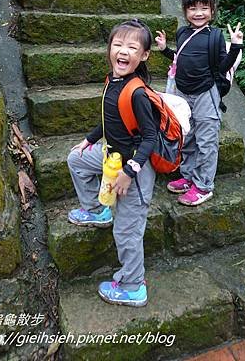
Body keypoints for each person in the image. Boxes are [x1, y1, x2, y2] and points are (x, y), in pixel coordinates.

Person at [67, 19, 159, 307]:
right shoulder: (113, 81)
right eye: (117, 44)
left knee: (127, 230)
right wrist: (90, 139)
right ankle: (97, 210)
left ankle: (133, 287)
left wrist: (129, 173)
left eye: (132, 47)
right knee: (76, 160)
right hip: (111, 155)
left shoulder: (138, 93)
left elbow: (150, 137)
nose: (122, 51)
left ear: (143, 55)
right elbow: (111, 117)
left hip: (135, 171)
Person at [155, 0, 243, 206]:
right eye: (193, 8)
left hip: (206, 94)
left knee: (206, 141)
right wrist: (166, 49)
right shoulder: (183, 33)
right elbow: (180, 59)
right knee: (188, 136)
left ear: (212, 11)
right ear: (185, 11)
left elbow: (223, 67)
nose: (198, 13)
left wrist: (235, 47)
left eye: (204, 8)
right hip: (184, 93)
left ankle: (204, 186)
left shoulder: (214, 37)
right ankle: (187, 176)